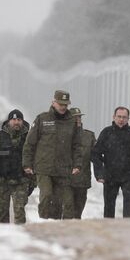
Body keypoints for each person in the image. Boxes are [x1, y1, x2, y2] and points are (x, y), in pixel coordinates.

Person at [22, 90, 82, 219]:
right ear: (53, 102)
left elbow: (77, 145)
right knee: (46, 195)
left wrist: (77, 164)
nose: (63, 107)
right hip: (44, 167)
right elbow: (30, 143)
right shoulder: (42, 119)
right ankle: (43, 220)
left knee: (60, 200)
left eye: (65, 104)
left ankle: (56, 224)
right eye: (60, 104)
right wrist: (27, 163)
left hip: (63, 168)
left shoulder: (72, 121)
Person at [92, 107, 130, 218]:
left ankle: (127, 228)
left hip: (129, 176)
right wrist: (99, 173)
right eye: (119, 117)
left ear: (128, 119)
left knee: (129, 204)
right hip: (110, 175)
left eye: (124, 117)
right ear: (114, 117)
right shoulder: (106, 133)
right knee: (109, 206)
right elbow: (96, 154)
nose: (121, 119)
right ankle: (109, 228)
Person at [0, 109, 33, 224]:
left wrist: (33, 182)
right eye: (14, 119)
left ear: (22, 121)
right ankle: (4, 238)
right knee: (2, 213)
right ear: (9, 121)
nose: (16, 122)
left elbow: (34, 161)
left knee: (20, 213)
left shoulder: (29, 139)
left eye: (19, 120)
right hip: (2, 182)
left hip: (21, 182)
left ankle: (20, 239)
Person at [69, 107, 96, 219]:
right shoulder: (62, 136)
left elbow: (96, 156)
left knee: (77, 213)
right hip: (66, 181)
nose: (78, 119)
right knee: (67, 212)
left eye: (79, 117)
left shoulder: (88, 136)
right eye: (75, 117)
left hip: (82, 182)